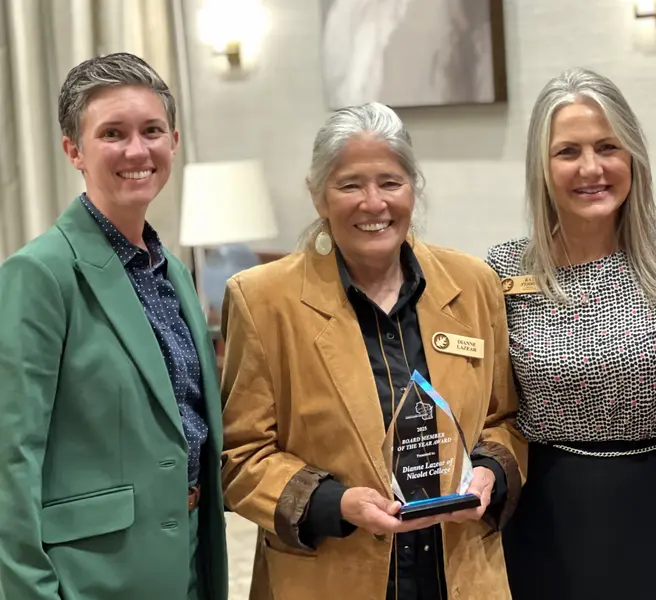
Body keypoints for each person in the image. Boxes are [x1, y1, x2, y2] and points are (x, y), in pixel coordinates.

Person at [219, 102, 525, 600]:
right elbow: (241, 457)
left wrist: (491, 472)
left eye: (390, 182)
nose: (373, 203)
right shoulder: (261, 300)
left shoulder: (473, 285)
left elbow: (503, 419)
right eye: (349, 185)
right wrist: (337, 503)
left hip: (461, 572)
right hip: (329, 578)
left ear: (413, 188)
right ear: (318, 195)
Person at [0, 53, 228, 599]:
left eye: (151, 131)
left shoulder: (170, 268)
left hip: (191, 558)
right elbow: (10, 459)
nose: (136, 150)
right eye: (112, 133)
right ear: (73, 151)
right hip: (92, 578)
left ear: (173, 141)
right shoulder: (38, 274)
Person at [486, 67, 656, 600]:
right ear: (542, 166)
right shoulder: (502, 269)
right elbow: (489, 410)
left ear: (633, 156)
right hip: (545, 513)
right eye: (568, 152)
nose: (591, 168)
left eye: (608, 146)